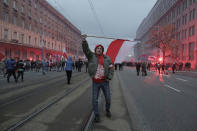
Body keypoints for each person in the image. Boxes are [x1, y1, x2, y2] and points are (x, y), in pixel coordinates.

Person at [82, 34, 114, 122]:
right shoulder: (91, 56)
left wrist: (110, 77)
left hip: (105, 82)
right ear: (95, 50)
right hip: (95, 82)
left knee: (108, 98)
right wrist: (84, 41)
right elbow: (86, 50)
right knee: (94, 99)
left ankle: (107, 110)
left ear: (102, 50)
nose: (99, 49)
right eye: (97, 48)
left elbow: (111, 68)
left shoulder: (107, 58)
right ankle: (96, 115)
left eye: (100, 49)